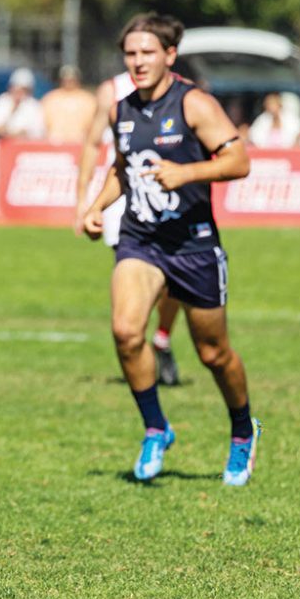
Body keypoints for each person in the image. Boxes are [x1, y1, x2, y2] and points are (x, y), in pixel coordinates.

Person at [82, 12, 260, 486]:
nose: (138, 62)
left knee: (213, 353)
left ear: (169, 56)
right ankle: (156, 428)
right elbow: (123, 168)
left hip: (194, 245)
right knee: (125, 332)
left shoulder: (194, 103)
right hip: (142, 240)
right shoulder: (121, 108)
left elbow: (238, 160)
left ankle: (243, 430)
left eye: (147, 53)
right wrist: (97, 207)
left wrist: (187, 173)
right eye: (131, 54)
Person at [76, 69, 183, 386]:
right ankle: (136, 343)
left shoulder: (181, 90)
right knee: (132, 277)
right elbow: (94, 143)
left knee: (171, 283)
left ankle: (161, 340)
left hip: (164, 195)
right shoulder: (111, 90)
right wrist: (84, 199)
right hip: (121, 194)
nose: (139, 60)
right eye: (132, 51)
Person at [0, 67, 45, 139]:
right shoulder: (2, 102)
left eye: (23, 90)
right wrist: (4, 131)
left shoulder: (34, 107)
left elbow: (39, 134)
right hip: (1, 147)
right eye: (15, 88)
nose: (19, 93)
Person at [40, 65, 96, 145]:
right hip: (54, 143)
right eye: (66, 79)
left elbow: (93, 125)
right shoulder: (50, 98)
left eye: (72, 79)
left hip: (80, 143)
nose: (69, 82)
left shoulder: (88, 100)